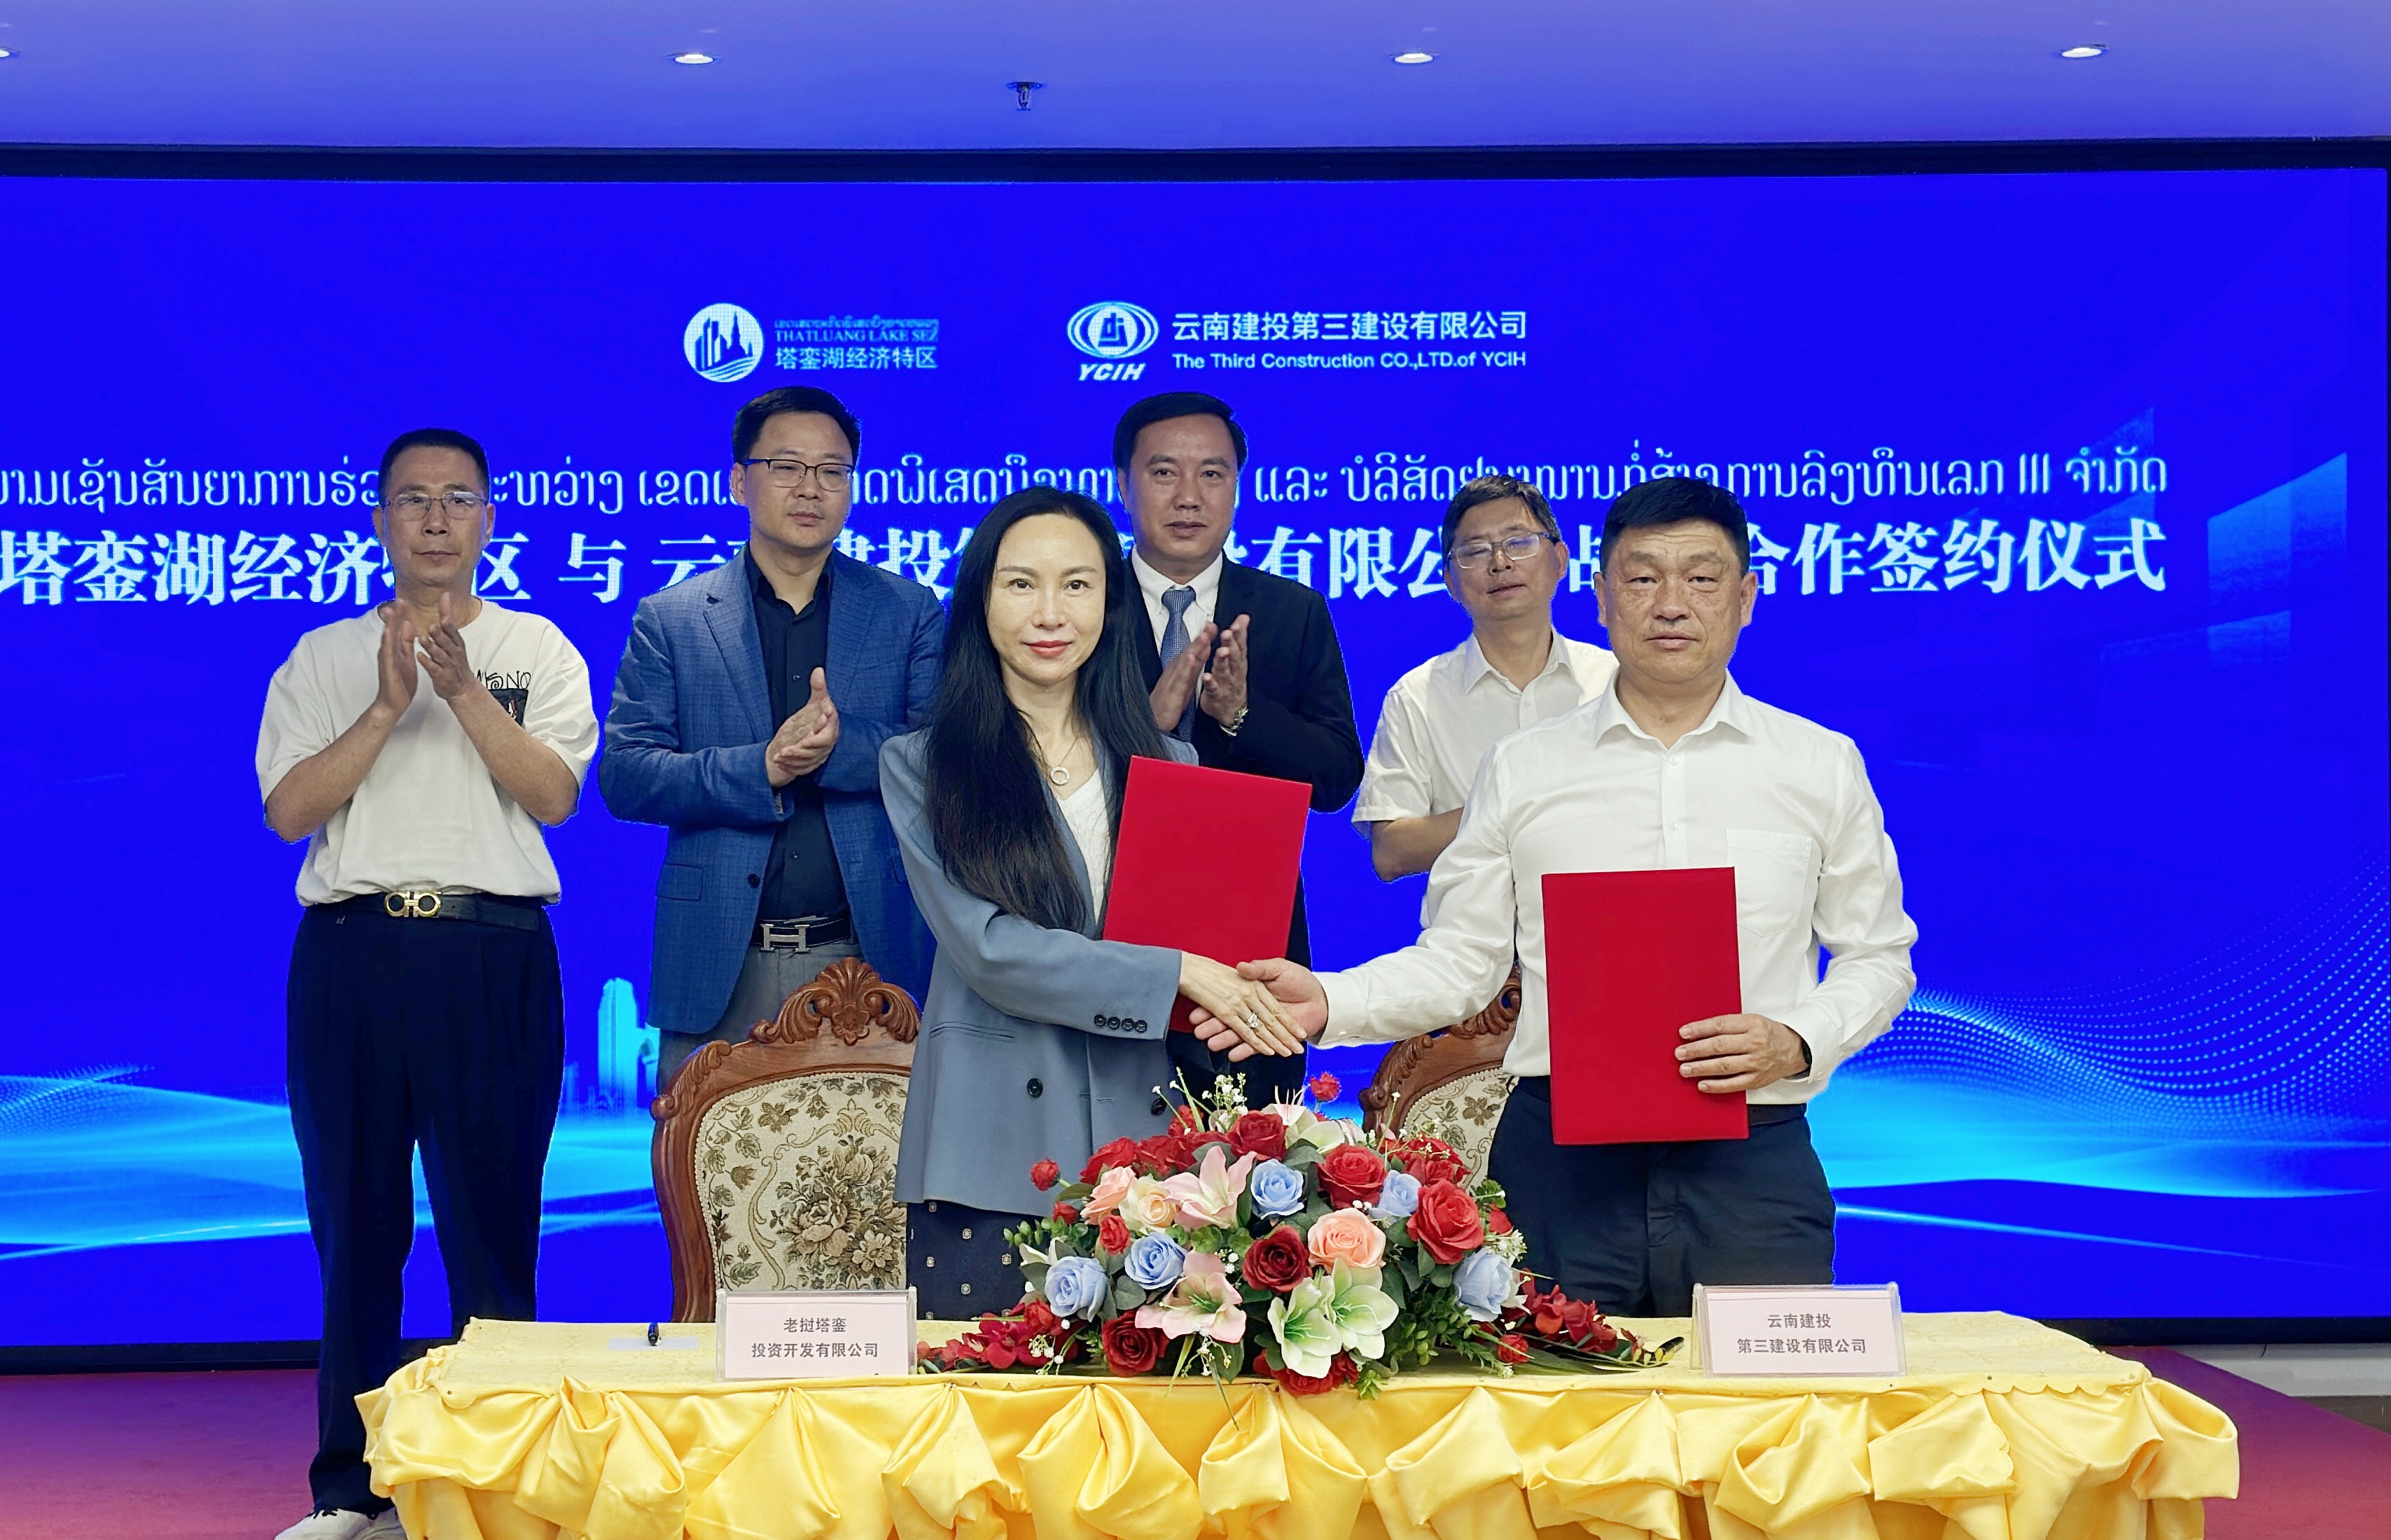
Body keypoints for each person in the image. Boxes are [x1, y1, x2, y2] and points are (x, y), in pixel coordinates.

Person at [1197, 477, 1916, 1317]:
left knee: (1766, 1393)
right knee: (1555, 1393)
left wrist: (1796, 1039)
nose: (1671, 603)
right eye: (1642, 578)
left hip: (1751, 1162)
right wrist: (1329, 998)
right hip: (1563, 1163)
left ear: (1746, 597)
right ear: (1602, 596)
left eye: (1702, 578)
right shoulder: (1525, 767)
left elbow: (1878, 956)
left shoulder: (1818, 763)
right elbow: (1461, 959)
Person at [257, 429, 598, 1540]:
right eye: (414, 500)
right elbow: (289, 812)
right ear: (381, 521)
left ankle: (493, 1492)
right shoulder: (322, 656)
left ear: (489, 519)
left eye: (458, 499)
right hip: (351, 955)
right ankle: (348, 1491)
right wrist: (383, 706)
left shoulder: (536, 646)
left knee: (492, 1232)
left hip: (491, 952)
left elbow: (553, 796)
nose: (437, 519)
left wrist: (460, 693)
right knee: (354, 1232)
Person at [881, 486, 1306, 1317]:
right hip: (987, 1152)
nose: (1050, 612)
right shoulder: (922, 765)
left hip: (1150, 1155)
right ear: (979, 600)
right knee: (983, 1394)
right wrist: (1177, 970)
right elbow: (990, 950)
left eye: (1076, 584)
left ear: (1111, 605)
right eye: (1020, 583)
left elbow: (1214, 947)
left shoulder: (1173, 766)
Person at [601, 386, 944, 1088]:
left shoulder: (907, 610)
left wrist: (839, 748)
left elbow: (942, 758)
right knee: (705, 1154)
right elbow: (626, 775)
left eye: (832, 470)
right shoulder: (672, 618)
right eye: (786, 467)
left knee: (878, 1160)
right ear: (739, 480)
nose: (810, 488)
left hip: (869, 956)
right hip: (720, 965)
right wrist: (761, 767)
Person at [1112, 391, 1365, 1102]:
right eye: (1164, 472)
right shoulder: (1083, 604)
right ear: (1123, 484)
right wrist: (1146, 730)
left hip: (1252, 943)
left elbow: (1336, 777)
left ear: (1237, 485)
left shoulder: (1290, 610)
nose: (1188, 496)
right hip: (1105, 933)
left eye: (1212, 474)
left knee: (1250, 1156)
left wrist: (1240, 717)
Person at [1355, 473, 1615, 881]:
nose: (1500, 563)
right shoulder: (1417, 696)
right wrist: (1511, 809)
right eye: (1475, 551)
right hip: (1473, 923)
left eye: (1519, 543)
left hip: (1600, 915)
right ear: (1450, 581)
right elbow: (1391, 852)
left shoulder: (1616, 680)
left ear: (1561, 559)